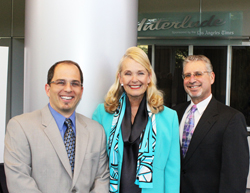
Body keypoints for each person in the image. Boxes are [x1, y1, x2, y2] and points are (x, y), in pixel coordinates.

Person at [4, 60, 109, 193]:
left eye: (75, 83)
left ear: (81, 91)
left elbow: (102, 180)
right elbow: (19, 182)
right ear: (48, 89)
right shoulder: (20, 127)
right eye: (61, 82)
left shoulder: (96, 131)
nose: (68, 89)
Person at [92, 47, 180, 193]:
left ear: (149, 77)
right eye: (128, 73)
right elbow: (94, 164)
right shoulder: (102, 113)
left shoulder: (169, 117)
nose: (134, 79)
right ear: (120, 78)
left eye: (140, 73)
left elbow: (172, 171)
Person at [173, 55, 249, 193]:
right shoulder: (174, 114)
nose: (192, 80)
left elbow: (235, 177)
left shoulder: (231, 119)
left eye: (198, 74)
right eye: (187, 75)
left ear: (212, 77)